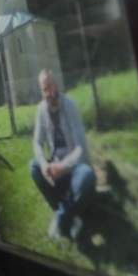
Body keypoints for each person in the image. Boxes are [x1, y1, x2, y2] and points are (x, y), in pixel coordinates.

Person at [29, 70, 95, 241]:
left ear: (56, 85)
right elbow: (36, 142)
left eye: (50, 87)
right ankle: (68, 214)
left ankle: (61, 218)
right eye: (45, 90)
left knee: (87, 176)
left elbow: (81, 148)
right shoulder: (41, 110)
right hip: (54, 165)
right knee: (34, 167)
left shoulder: (70, 105)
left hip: (74, 166)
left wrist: (63, 166)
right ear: (41, 91)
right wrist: (44, 165)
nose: (49, 93)